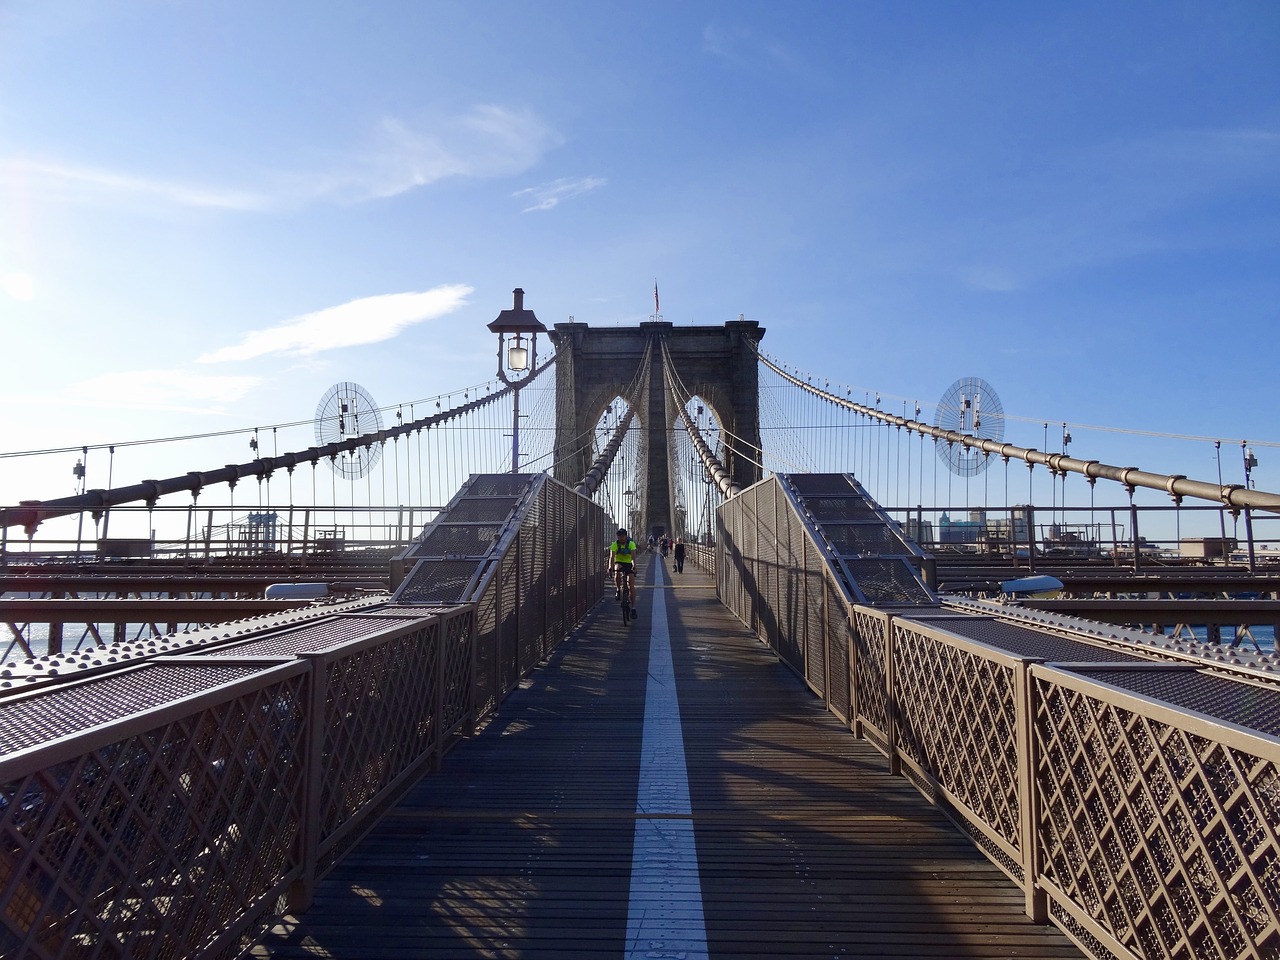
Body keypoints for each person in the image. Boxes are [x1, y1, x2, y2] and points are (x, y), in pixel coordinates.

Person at [609, 527, 639, 619]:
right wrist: (610, 567)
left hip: (629, 563)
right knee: (617, 570)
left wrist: (634, 566)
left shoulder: (631, 544)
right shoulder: (614, 545)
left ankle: (633, 608)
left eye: (622, 536)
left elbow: (633, 557)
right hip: (619, 562)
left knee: (631, 584)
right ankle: (618, 590)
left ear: (626, 536)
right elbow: (611, 557)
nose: (621, 538)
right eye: (619, 536)